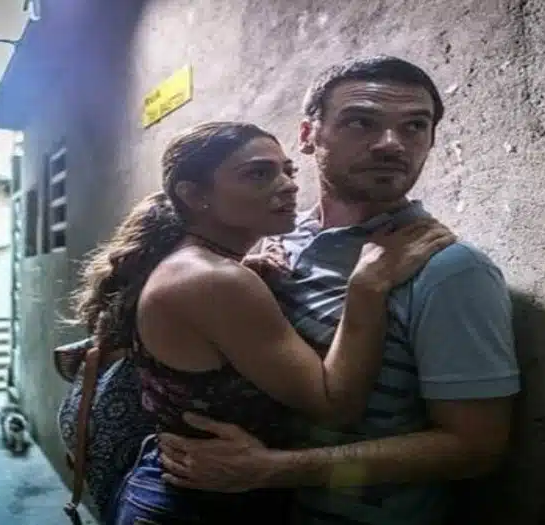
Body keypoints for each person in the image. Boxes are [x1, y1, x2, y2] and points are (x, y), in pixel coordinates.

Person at [156, 56, 521, 525]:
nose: (391, 143)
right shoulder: (278, 241)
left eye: (415, 126)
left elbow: (475, 448)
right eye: (360, 122)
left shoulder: (449, 271)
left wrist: (273, 471)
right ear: (309, 135)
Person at [71, 121, 455, 524]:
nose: (288, 185)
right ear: (195, 195)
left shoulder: (196, 264)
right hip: (198, 506)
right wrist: (367, 288)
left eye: (288, 170)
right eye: (258, 174)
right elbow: (334, 405)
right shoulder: (214, 279)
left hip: (195, 491)